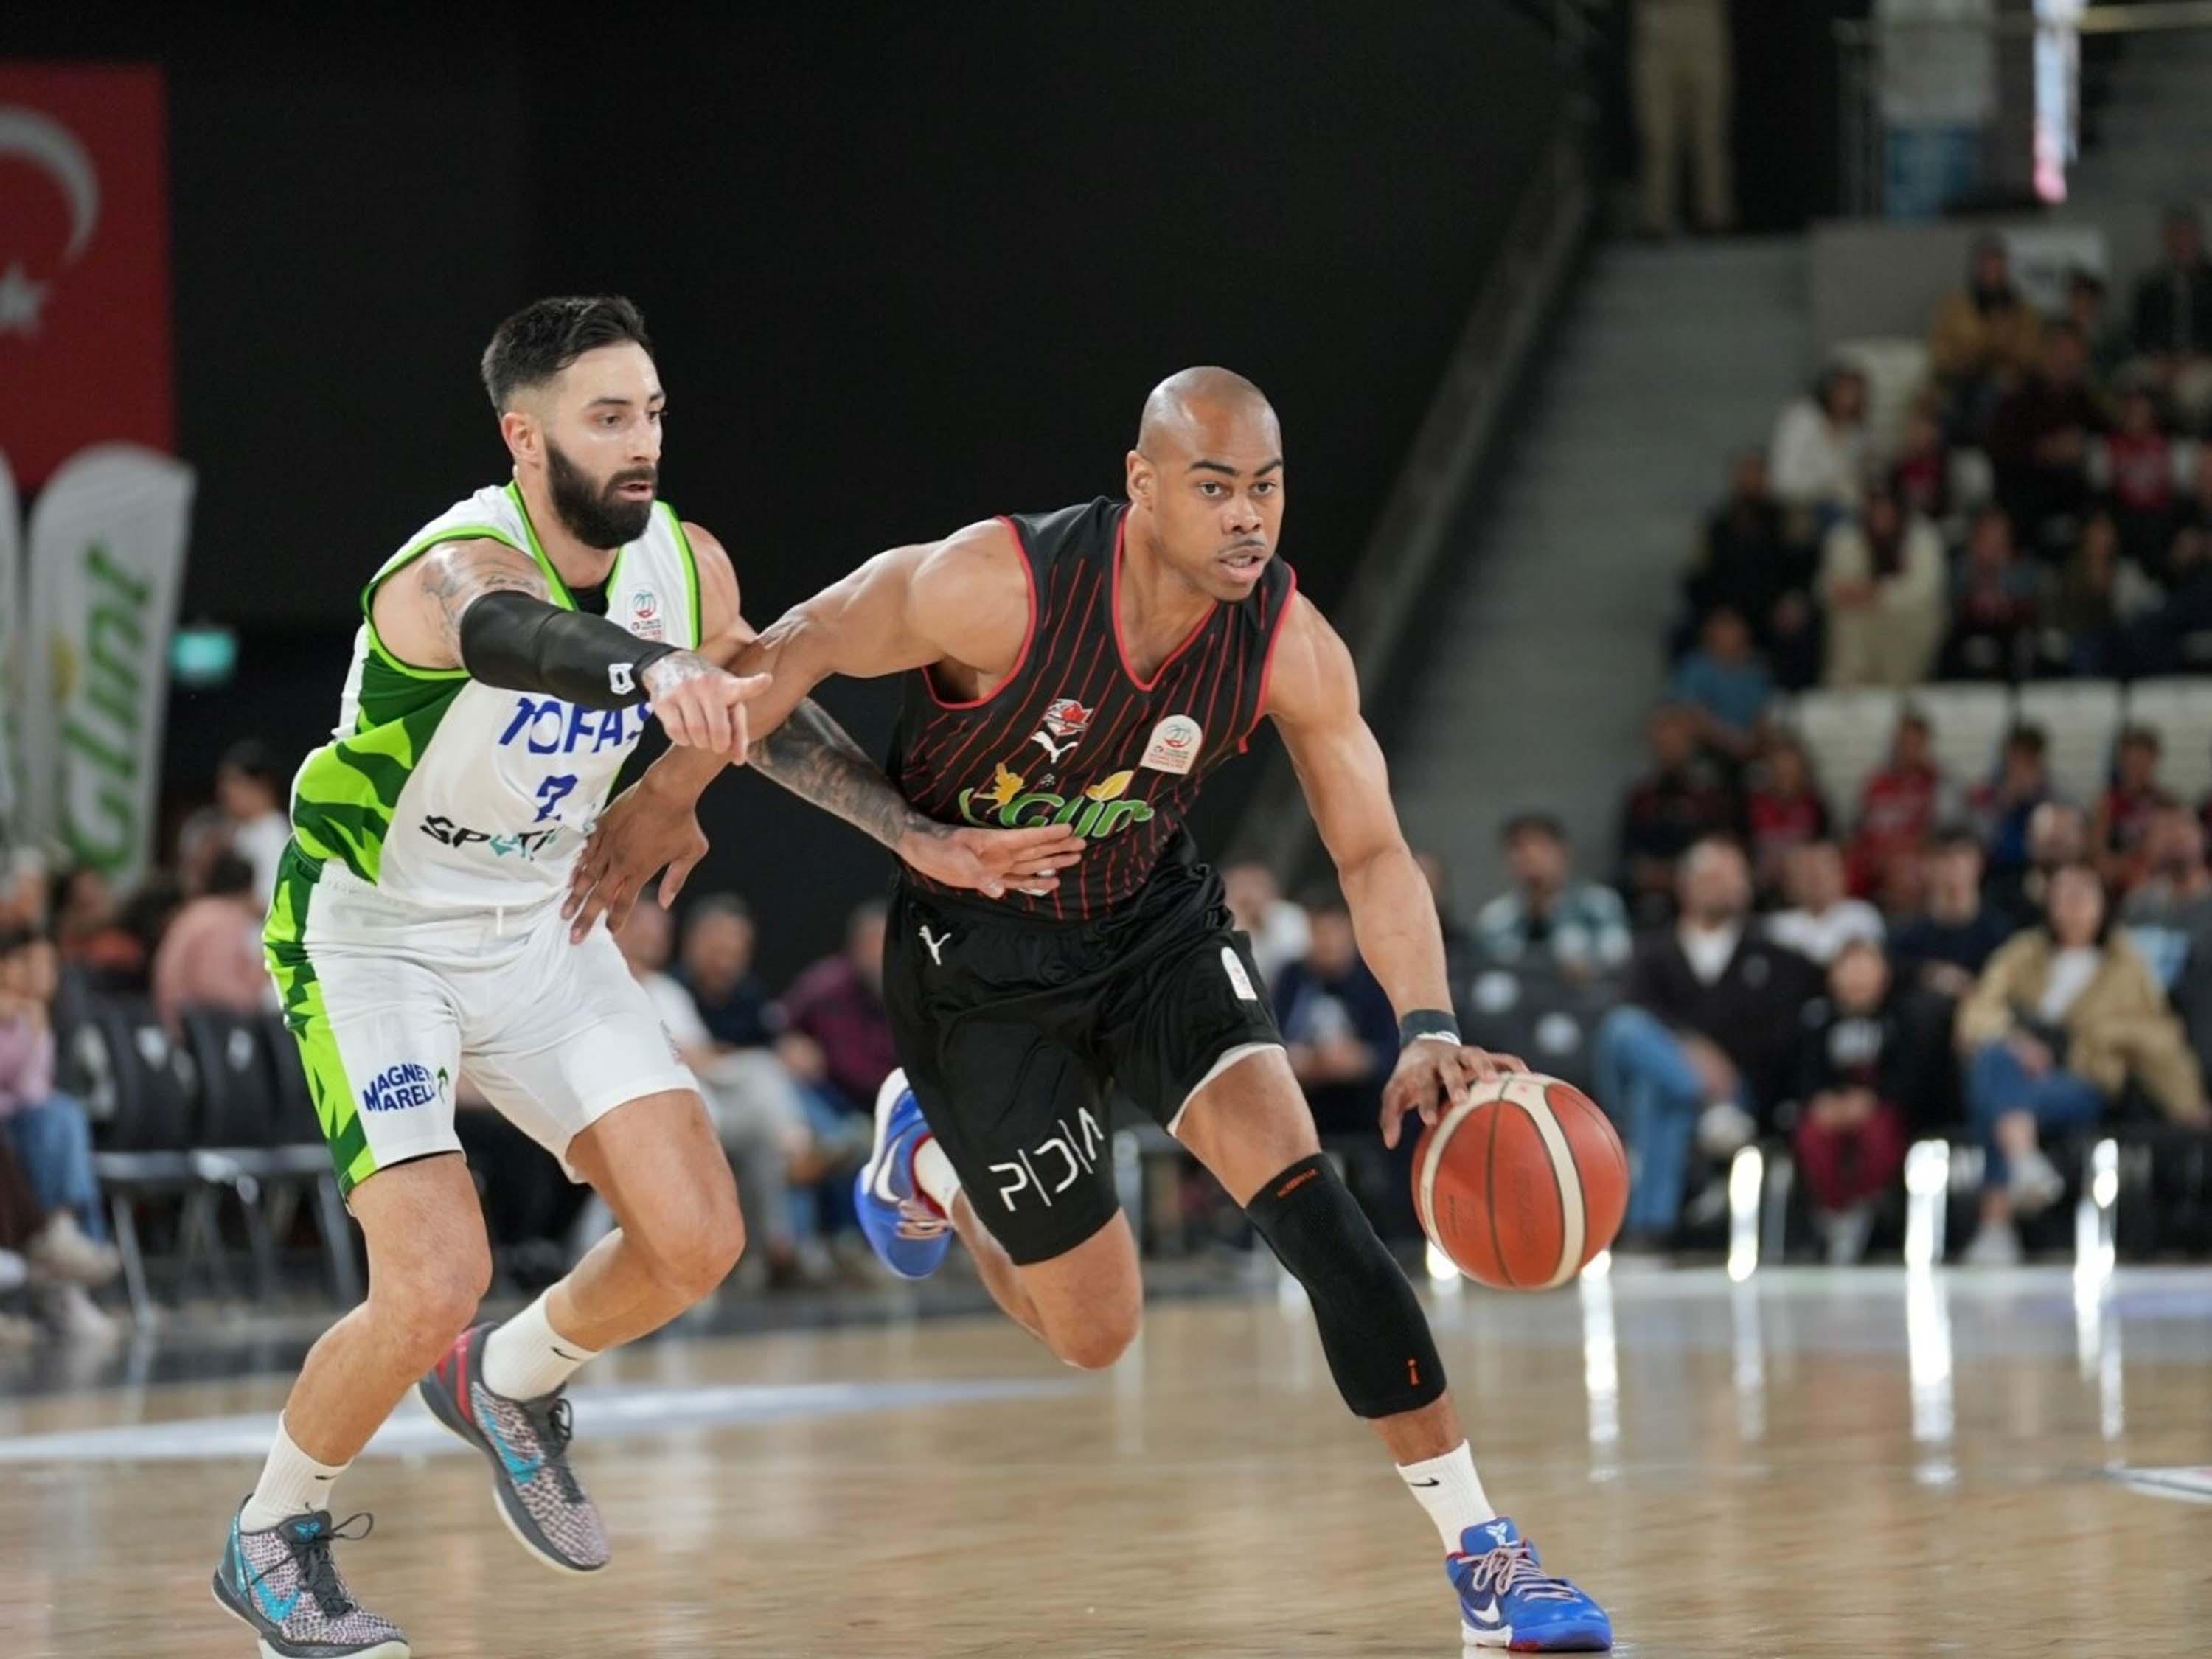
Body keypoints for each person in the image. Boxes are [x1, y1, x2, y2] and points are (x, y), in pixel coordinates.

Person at [568, 366, 1614, 1650]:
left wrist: (1429, 1027)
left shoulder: (1285, 640)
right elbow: (803, 640)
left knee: (1317, 1212)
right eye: (1216, 488)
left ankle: (1484, 1554)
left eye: (1267, 488)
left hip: (1152, 926)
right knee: (1096, 1331)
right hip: (978, 959)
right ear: (1144, 484)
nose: (1248, 517)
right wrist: (671, 792)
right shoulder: (999, 584)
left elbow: (1374, 849)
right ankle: (932, 1165)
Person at [210, 296, 1071, 1656]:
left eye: (653, 412)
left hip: (544, 922)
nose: (643, 442)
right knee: (432, 1277)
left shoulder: (688, 564)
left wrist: (912, 834)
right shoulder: (449, 568)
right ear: (524, 435)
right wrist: (659, 672)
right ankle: (272, 1532)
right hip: (374, 934)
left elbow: (762, 709)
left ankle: (507, 1380)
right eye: (608, 417)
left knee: (698, 1237)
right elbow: (517, 634)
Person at [1955, 863, 2209, 1265]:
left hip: (2084, 1079)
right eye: (2064, 897)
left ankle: (1997, 1224)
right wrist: (2016, 1040)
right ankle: (2022, 1160)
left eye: (2083, 897)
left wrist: (2187, 1103)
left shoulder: (2126, 964)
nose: (2073, 907)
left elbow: (2158, 1039)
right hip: (2019, 1071)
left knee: (1993, 1096)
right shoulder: (2023, 954)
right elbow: (1979, 1009)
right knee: (1994, 1062)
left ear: (2102, 904)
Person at [1595, 839, 1820, 1251]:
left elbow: (1779, 1032)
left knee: (1658, 1095)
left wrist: (1723, 1065)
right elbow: (1632, 1011)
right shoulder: (1653, 952)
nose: (1728, 886)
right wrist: (1691, 1049)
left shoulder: (1771, 956)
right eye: (1715, 876)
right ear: (1686, 885)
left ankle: (1649, 1231)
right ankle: (1704, 1099)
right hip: (1699, 1095)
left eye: (1735, 877)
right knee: (1625, 1029)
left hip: (1741, 1090)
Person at [615, 898, 811, 1288]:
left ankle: (775, 1248)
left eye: (660, 930)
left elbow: (699, 1055)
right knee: (757, 1077)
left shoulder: (668, 991)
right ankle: (797, 1144)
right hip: (630, 1106)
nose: (654, 937)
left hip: (694, 1102)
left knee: (760, 1128)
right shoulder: (598, 985)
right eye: (645, 928)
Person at [0, 929, 119, 1335]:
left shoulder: (33, 1015)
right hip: (12, 1125)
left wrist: (34, 1031)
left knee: (61, 1114)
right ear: (8, 966)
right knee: (56, 1118)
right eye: (38, 963)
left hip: (21, 1126)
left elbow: (31, 1090)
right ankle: (58, 1246)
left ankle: (62, 1259)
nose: (49, 973)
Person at [1790, 940, 1917, 1265]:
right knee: (1813, 1135)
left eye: (1866, 969)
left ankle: (1865, 1208)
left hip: (1879, 1106)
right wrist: (1822, 1100)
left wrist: (1873, 1099)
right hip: (1831, 1106)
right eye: (1849, 969)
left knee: (1879, 1135)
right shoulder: (1816, 1019)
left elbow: (1910, 1074)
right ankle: (1834, 1213)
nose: (1858, 978)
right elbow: (1802, 1071)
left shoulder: (1900, 1017)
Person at [1986, 322, 2107, 549]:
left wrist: (2083, 445)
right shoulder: (2019, 399)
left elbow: (2106, 430)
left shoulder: (2081, 401)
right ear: (2047, 355)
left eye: (2074, 362)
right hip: (2026, 490)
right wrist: (2044, 451)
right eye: (2062, 357)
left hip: (2070, 492)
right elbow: (1999, 448)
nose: (2067, 367)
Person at [1617, 701, 1739, 925]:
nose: (1670, 747)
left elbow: (1720, 847)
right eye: (1663, 740)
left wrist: (1682, 874)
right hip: (1651, 893)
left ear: (1690, 743)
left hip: (1699, 883)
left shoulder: (1709, 795)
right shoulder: (1641, 797)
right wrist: (1651, 874)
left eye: (1677, 739)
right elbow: (1629, 857)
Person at [1474, 811, 1632, 982]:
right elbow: (1481, 975)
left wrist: (1589, 966)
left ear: (1564, 852)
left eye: (1540, 846)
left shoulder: (1599, 903)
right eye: (1519, 848)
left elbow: (1620, 959)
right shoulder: (1494, 919)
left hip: (1585, 995)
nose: (1530, 856)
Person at [1818, 481, 1945, 689]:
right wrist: (1852, 592)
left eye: (1887, 510)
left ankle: (1902, 688)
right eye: (1876, 510)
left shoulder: (1922, 536)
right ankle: (1848, 689)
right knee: (1848, 618)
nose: (1882, 517)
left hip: (1905, 619)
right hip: (1862, 618)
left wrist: (1878, 593)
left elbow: (1924, 589)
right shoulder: (1846, 537)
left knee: (1907, 619)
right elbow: (1826, 586)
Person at [1632, 0, 1735, 239]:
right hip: (1657, 26)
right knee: (1658, 137)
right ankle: (1655, 218)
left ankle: (1714, 215)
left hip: (1703, 25)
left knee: (1709, 133)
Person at [1927, 234, 2043, 442]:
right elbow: (1939, 353)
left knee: (1994, 395)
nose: (1992, 274)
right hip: (1960, 381)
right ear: (1976, 268)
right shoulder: (1955, 307)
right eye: (1987, 267)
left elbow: (2031, 355)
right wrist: (1973, 354)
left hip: (2005, 384)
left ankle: (1981, 447)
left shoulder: (2023, 311)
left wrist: (2000, 349)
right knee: (1941, 404)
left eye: (1997, 268)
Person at [2121, 806, 2212, 1064]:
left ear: (2202, 838)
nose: (2176, 840)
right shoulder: (2137, 906)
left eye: (2184, 831)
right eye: (2167, 834)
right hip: (2150, 1022)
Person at [151, 852, 271, 1034]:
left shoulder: (197, 911)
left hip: (179, 1022)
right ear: (247, 890)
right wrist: (255, 998)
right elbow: (214, 986)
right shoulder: (224, 918)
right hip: (194, 1031)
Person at [1889, 830, 2016, 1002]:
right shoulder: (1905, 939)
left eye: (1961, 857)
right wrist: (1929, 975)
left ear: (1979, 864)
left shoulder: (2002, 933)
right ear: (1926, 867)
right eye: (1943, 857)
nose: (1953, 867)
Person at [1845, 710, 1951, 902]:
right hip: (1875, 860)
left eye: (1915, 743)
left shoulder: (1938, 782)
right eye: (1903, 742)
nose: (1908, 749)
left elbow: (1944, 832)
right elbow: (1857, 828)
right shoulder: (1876, 782)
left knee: (1909, 870)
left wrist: (1904, 852)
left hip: (1915, 860)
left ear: (1926, 745)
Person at [2128, 205, 2212, 434]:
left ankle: (2191, 447)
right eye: (2177, 236)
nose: (2182, 242)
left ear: (2198, 238)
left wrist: (2192, 359)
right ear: (2167, 240)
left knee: (2190, 393)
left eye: (2187, 235)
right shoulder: (2150, 285)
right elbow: (2139, 332)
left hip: (2202, 361)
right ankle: (2139, 447)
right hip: (2158, 361)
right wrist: (2160, 359)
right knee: (2130, 381)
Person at [1938, 506, 2040, 681]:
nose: (1992, 546)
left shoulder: (2022, 570)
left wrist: (2001, 577)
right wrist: (1979, 576)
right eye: (1987, 537)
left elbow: (2027, 603)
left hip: (2009, 634)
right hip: (1967, 631)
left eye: (1999, 538)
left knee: (2023, 646)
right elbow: (1954, 605)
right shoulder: (1961, 569)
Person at [1769, 365, 1869, 525]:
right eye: (1844, 391)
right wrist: (1828, 487)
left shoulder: (1856, 435)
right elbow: (1784, 481)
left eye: (1856, 393)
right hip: (1801, 509)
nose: (1850, 399)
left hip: (1843, 510)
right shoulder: (1802, 419)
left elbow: (1852, 487)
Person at [1668, 606, 1770, 762]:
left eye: (1732, 627)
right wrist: (1729, 740)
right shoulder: (1696, 666)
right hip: (1708, 741)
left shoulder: (1755, 670)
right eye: (1722, 628)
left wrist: (1750, 742)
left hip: (1748, 744)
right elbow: (1690, 711)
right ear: (1709, 631)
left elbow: (1762, 713)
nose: (1727, 635)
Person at [1766, 840, 1884, 967]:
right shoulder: (1778, 927)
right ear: (1790, 881)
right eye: (1808, 873)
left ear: (1841, 875)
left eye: (1824, 871)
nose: (1817, 881)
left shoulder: (1862, 916)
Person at [1743, 737, 1831, 902]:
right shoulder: (1753, 806)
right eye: (1779, 769)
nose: (1785, 775)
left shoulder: (1815, 805)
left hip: (1805, 888)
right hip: (1762, 890)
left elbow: (1825, 848)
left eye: (1791, 770)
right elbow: (1742, 847)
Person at [2090, 726, 2176, 893]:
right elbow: (2097, 857)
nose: (2137, 768)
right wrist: (2126, 868)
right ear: (2122, 761)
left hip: (2159, 886)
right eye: (2132, 761)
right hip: (2117, 886)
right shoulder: (2106, 805)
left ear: (2154, 761)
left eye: (2143, 761)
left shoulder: (2167, 804)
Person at [218, 739, 293, 906]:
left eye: (235, 781)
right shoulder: (244, 830)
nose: (226, 792)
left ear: (261, 785)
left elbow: (272, 899)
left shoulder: (274, 831)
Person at [1222, 859, 1313, 987]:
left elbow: (1301, 957)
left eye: (1257, 885)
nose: (1251, 894)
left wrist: (1264, 925)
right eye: (1242, 886)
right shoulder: (1217, 924)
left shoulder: (1291, 917)